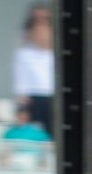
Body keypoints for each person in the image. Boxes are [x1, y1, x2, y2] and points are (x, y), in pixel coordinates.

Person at [13, 6, 56, 135]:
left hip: (53, 98)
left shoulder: (58, 54)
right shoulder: (24, 53)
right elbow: (21, 83)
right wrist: (22, 108)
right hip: (35, 99)